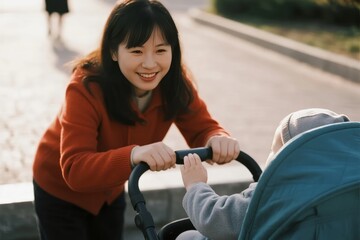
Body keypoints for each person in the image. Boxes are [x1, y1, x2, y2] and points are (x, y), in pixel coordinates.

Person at [32, 0, 240, 240]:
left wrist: (218, 138)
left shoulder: (174, 83)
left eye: (161, 50)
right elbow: (75, 168)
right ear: (113, 51)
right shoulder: (86, 86)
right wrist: (134, 154)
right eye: (137, 51)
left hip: (110, 188)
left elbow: (203, 126)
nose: (150, 64)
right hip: (59, 189)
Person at [177, 108, 350, 240]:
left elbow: (215, 220)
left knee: (186, 237)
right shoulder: (349, 193)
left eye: (274, 150)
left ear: (291, 158)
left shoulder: (276, 195)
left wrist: (196, 186)